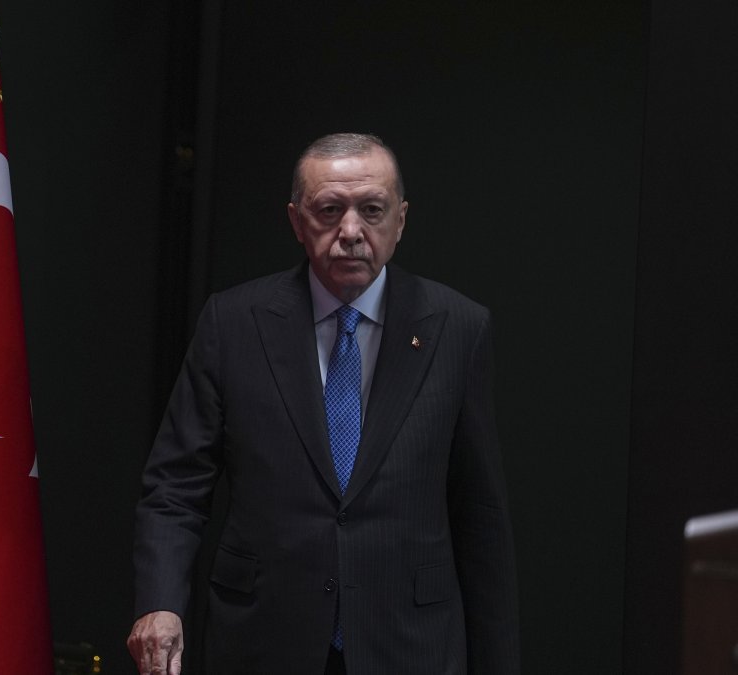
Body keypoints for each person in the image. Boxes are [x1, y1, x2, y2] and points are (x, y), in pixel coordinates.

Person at [128, 133, 519, 674]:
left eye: (372, 210)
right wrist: (160, 604)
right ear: (296, 221)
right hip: (265, 640)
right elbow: (175, 487)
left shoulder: (458, 328)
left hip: (409, 644)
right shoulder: (235, 323)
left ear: (400, 221)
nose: (351, 232)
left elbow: (480, 514)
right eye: (330, 210)